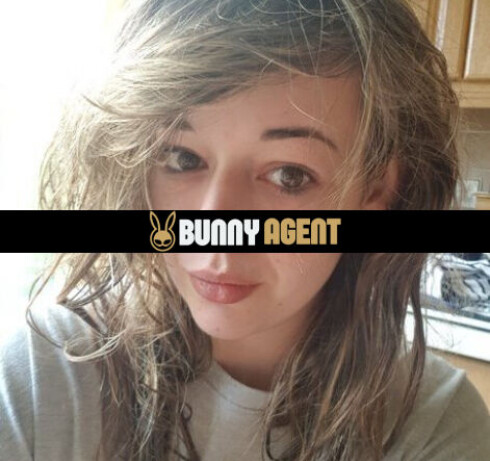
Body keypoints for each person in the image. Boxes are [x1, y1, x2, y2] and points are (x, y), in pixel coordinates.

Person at [1, 0, 489, 460]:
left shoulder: (433, 427)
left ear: (376, 191)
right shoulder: (47, 374)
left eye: (289, 176)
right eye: (182, 158)